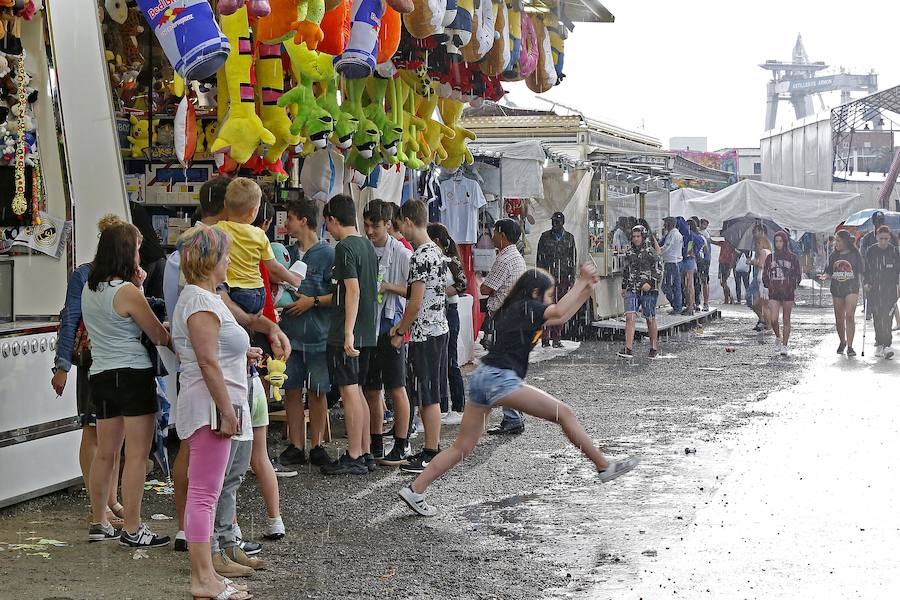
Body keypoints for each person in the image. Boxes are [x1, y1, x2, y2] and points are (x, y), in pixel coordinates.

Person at [397, 264, 640, 517]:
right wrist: (580, 282)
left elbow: (560, 317)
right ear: (535, 292)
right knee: (564, 413)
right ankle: (603, 466)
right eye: (548, 295)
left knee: (462, 448)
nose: (550, 301)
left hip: (484, 378)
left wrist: (586, 289)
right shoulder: (528, 307)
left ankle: (415, 489)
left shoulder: (521, 308)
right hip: (499, 380)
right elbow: (558, 311)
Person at [172, 224, 257, 600]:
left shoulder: (203, 297)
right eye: (225, 254)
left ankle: (207, 575)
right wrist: (226, 410)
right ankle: (203, 578)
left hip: (211, 403)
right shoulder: (200, 301)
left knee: (205, 492)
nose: (229, 260)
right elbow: (206, 360)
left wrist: (243, 353)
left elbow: (212, 353)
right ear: (210, 260)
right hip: (210, 406)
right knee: (204, 494)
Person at [81, 223, 172, 546]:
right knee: (136, 454)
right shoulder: (127, 292)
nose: (139, 256)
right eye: (136, 249)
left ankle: (99, 520)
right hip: (133, 374)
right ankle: (132, 528)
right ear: (125, 252)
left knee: (106, 452)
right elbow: (157, 334)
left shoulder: (90, 289)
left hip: (101, 374)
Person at [52, 215, 126, 530]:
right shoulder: (84, 275)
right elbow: (70, 317)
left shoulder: (124, 277)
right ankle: (99, 503)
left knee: (115, 435)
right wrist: (62, 365)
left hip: (117, 363)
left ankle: (110, 499)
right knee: (94, 431)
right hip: (93, 361)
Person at [389, 200, 450, 474]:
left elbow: (414, 303)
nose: (400, 230)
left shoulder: (420, 256)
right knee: (430, 391)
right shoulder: (436, 251)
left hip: (425, 333)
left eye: (400, 224)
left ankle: (430, 451)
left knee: (427, 394)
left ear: (408, 221)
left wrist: (400, 330)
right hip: (438, 329)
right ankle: (431, 448)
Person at [320, 194, 379, 475]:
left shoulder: (344, 247)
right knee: (358, 390)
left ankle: (354, 454)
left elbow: (352, 290)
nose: (328, 231)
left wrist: (347, 333)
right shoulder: (367, 245)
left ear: (332, 219)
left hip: (349, 330)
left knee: (349, 391)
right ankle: (364, 451)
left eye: (327, 224)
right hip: (367, 330)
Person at [277, 198, 335, 468]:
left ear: (303, 220)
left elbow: (339, 294)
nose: (285, 223)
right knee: (291, 389)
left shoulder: (328, 254)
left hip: (318, 336)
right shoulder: (285, 253)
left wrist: (312, 302)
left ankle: (317, 444)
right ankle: (296, 445)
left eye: (289, 217)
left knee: (318, 391)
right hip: (288, 335)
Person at [360, 199, 413, 466]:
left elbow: (415, 292)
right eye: (367, 226)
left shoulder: (402, 253)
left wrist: (388, 287)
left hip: (391, 327)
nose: (370, 231)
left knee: (396, 388)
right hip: (368, 328)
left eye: (376, 226)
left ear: (388, 225)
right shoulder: (364, 250)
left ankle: (402, 443)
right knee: (371, 390)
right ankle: (376, 442)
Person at [213, 177, 301, 315]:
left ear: (225, 205)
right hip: (258, 293)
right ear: (253, 211)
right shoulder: (260, 235)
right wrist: (294, 279)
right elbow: (274, 267)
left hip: (235, 291)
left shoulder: (218, 230)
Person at [480, 218, 526, 435]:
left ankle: (513, 417)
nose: (492, 236)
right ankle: (516, 413)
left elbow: (486, 289)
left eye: (495, 232)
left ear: (503, 235)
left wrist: (485, 284)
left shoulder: (504, 258)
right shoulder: (516, 257)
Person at [427, 222, 468, 425]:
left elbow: (462, 284)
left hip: (449, 312)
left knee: (450, 360)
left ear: (435, 240)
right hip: (438, 312)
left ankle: (458, 406)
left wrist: (440, 294)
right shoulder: (434, 259)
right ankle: (442, 406)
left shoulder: (450, 260)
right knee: (440, 362)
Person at [619, 226, 661, 358]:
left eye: (638, 236)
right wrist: (624, 286)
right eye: (634, 236)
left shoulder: (651, 251)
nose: (636, 239)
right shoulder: (629, 252)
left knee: (650, 318)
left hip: (648, 291)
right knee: (630, 317)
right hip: (632, 288)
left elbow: (659, 269)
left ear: (643, 237)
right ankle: (628, 348)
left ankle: (653, 348)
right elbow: (626, 270)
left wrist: (651, 283)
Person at [536, 211, 577, 347]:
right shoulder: (544, 237)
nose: (555, 224)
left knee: (560, 308)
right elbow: (539, 259)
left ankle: (557, 338)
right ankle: (545, 338)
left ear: (563, 223)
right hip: (548, 278)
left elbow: (573, 259)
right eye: (553, 221)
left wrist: (572, 279)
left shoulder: (569, 238)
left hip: (563, 278)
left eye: (557, 222)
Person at [820, 230, 864, 356]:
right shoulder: (834, 256)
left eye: (838, 240)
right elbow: (828, 271)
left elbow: (862, 270)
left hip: (852, 288)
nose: (836, 243)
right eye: (835, 240)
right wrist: (826, 276)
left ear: (845, 241)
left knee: (849, 316)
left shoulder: (855, 255)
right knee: (839, 319)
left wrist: (867, 283)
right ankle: (842, 341)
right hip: (837, 289)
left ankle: (850, 346)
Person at [863, 225, 899, 358]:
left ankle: (887, 344)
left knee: (888, 317)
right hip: (874, 289)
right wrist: (866, 283)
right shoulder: (871, 251)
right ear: (877, 237)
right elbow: (866, 269)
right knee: (878, 317)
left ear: (889, 238)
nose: (883, 241)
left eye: (886, 238)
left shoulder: (894, 251)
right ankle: (879, 342)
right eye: (881, 238)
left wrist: (898, 287)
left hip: (890, 290)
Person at [763, 231, 801, 356]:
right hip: (774, 292)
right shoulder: (770, 258)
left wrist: (792, 285)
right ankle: (778, 337)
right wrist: (768, 284)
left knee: (786, 319)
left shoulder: (792, 258)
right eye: (776, 241)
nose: (778, 244)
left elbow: (798, 274)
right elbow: (765, 273)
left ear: (785, 242)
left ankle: (785, 344)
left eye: (781, 241)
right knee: (773, 319)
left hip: (788, 292)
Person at [750, 227, 772, 333]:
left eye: (757, 245)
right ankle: (766, 323)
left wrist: (753, 262)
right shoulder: (768, 251)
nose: (756, 247)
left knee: (764, 306)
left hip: (764, 283)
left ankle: (769, 327)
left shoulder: (764, 252)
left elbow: (761, 265)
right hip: (763, 282)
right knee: (758, 304)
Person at [659, 217, 683, 315]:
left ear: (670, 224)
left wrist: (657, 252)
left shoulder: (673, 234)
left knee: (667, 286)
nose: (664, 225)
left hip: (672, 263)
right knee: (674, 286)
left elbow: (667, 247)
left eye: (665, 223)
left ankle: (676, 307)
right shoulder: (673, 233)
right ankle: (677, 306)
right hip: (673, 262)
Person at [712, 238, 736, 304]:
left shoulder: (731, 246)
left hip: (726, 264)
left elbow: (733, 258)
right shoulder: (724, 243)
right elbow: (714, 242)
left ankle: (730, 297)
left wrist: (730, 268)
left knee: (723, 282)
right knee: (723, 282)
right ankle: (727, 298)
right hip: (722, 263)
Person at [696, 218, 712, 311]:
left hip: (704, 260)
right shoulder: (699, 234)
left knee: (704, 281)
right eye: (703, 224)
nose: (703, 226)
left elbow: (706, 249)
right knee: (701, 281)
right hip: (703, 260)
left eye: (705, 224)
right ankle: (700, 302)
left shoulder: (705, 235)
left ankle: (705, 303)